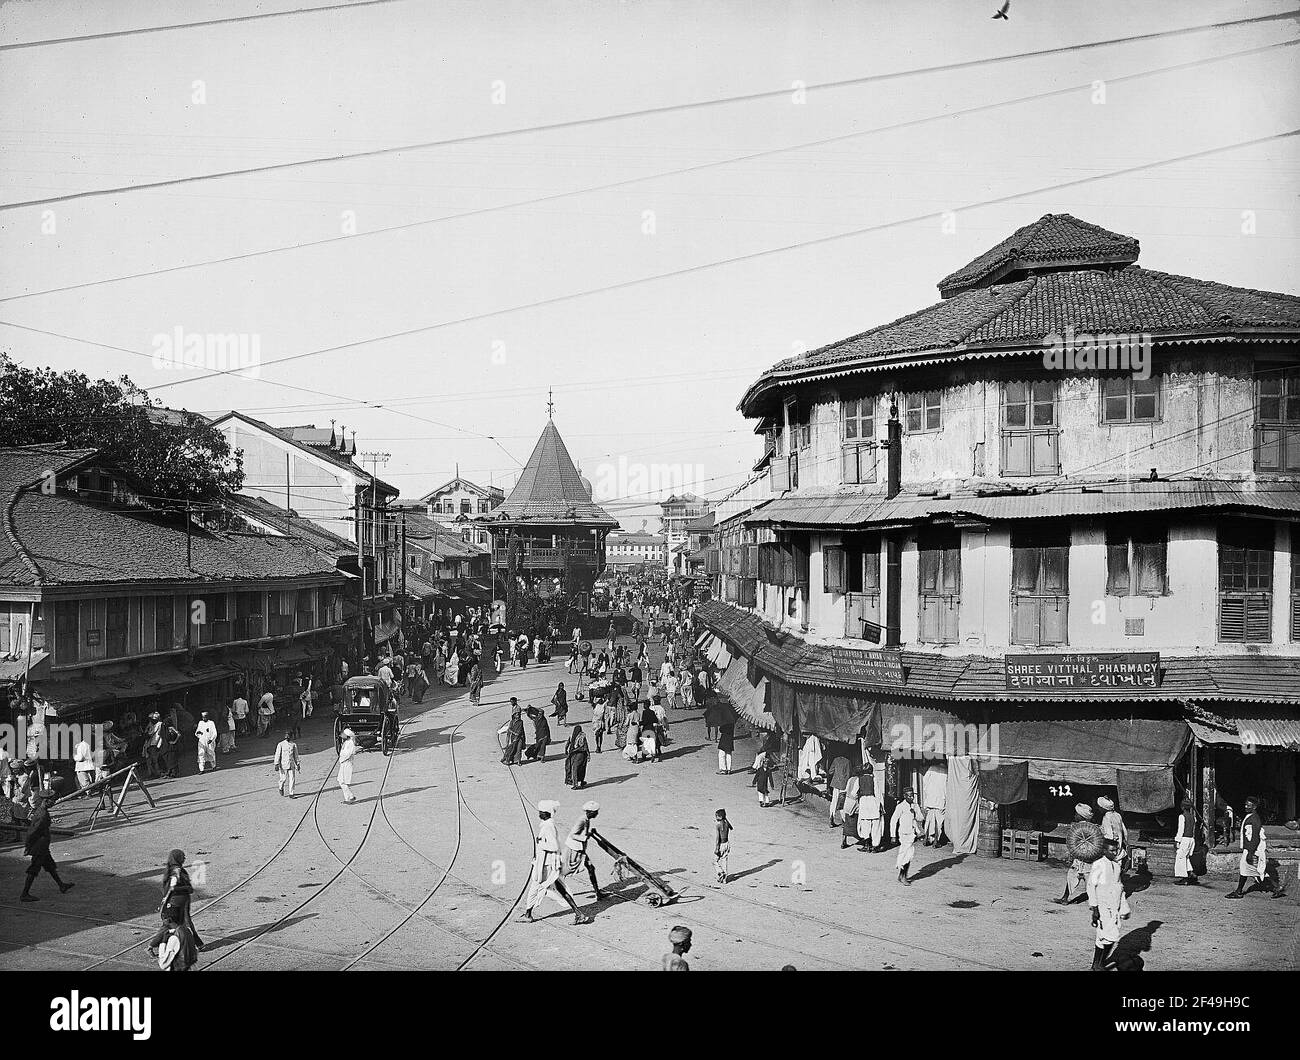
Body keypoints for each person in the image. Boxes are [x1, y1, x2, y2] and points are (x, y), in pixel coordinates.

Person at [517, 800, 593, 925]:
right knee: (560, 889)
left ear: (547, 813)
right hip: (547, 863)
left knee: (535, 888)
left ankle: (528, 915)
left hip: (546, 865)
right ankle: (579, 914)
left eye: (542, 812)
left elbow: (553, 846)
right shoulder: (546, 824)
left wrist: (540, 842)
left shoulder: (548, 826)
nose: (539, 814)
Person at [19, 784, 73, 902]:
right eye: (52, 800)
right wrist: (28, 846)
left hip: (42, 846)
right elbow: (32, 832)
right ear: (46, 801)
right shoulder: (42, 814)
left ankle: (61, 885)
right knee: (33, 870)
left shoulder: (41, 810)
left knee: (50, 866)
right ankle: (24, 894)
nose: (53, 802)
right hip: (39, 847)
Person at [1087, 837, 1131, 969]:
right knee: (1109, 935)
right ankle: (1099, 963)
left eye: (1116, 850)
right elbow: (1091, 886)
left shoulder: (1116, 866)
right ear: (1104, 851)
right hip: (1103, 906)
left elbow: (1120, 888)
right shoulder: (1099, 864)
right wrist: (1095, 908)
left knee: (1104, 936)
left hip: (1114, 906)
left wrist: (1124, 908)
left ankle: (1096, 964)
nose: (1115, 853)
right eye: (1112, 850)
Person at [1226, 795, 1270, 898]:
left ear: (1254, 807)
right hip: (1249, 848)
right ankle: (1276, 888)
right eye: (1245, 804)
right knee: (1255, 870)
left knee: (1247, 869)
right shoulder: (1250, 816)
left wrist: (1250, 852)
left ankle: (1239, 891)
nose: (1246, 807)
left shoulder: (1254, 819)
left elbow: (1254, 837)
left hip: (1252, 849)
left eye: (1248, 805)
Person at [561, 801, 604, 899]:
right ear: (590, 812)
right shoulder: (582, 820)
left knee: (591, 868)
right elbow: (573, 835)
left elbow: (582, 833)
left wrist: (589, 834)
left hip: (580, 850)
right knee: (565, 871)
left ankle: (597, 893)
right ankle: (552, 889)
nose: (597, 814)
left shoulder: (586, 820)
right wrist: (585, 837)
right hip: (574, 850)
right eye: (595, 812)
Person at [1055, 803, 1096, 904]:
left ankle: (1065, 898)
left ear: (1081, 816)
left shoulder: (1078, 827)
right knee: (1088, 879)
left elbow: (1074, 842)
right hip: (1090, 857)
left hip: (1080, 857)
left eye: (1076, 814)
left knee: (1073, 876)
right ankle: (1065, 898)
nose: (1075, 815)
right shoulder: (1093, 827)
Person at [890, 788, 923, 885]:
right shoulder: (901, 806)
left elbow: (920, 818)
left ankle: (902, 875)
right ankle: (903, 876)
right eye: (909, 796)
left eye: (912, 795)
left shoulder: (915, 805)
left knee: (909, 855)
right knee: (906, 855)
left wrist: (915, 812)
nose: (911, 797)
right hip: (903, 833)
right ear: (904, 796)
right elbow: (893, 820)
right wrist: (893, 836)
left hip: (912, 833)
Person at [153, 906, 198, 972]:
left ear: (169, 920)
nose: (162, 921)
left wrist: (163, 943)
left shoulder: (174, 938)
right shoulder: (188, 930)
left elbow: (163, 964)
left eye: (163, 918)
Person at [1097, 795, 1128, 875]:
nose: (1099, 809)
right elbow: (1124, 831)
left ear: (1104, 808)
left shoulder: (1107, 817)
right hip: (1119, 845)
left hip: (1112, 846)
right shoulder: (1117, 815)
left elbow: (1109, 835)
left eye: (1100, 807)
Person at [858, 769, 884, 851]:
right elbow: (878, 793)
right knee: (876, 825)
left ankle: (866, 845)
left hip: (863, 803)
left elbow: (853, 793)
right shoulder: (874, 779)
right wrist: (881, 805)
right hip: (873, 802)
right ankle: (875, 846)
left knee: (865, 824)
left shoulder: (859, 779)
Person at [273, 730, 300, 798]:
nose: (287, 737)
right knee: (283, 779)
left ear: (291, 736)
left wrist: (298, 763)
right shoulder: (281, 744)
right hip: (283, 765)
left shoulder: (293, 745)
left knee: (292, 779)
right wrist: (276, 764)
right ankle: (280, 787)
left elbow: (296, 755)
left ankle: (291, 793)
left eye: (288, 735)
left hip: (291, 764)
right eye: (286, 735)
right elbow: (277, 754)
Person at [500, 699, 526, 766]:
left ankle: (518, 761)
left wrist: (515, 734)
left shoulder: (520, 721)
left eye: (518, 714)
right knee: (513, 748)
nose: (518, 715)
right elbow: (510, 729)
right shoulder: (512, 722)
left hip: (519, 737)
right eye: (516, 715)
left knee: (519, 749)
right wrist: (512, 732)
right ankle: (511, 759)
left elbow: (520, 730)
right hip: (514, 737)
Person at [338, 729, 358, 804]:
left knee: (342, 781)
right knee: (341, 781)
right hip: (343, 763)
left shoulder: (350, 743)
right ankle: (348, 798)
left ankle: (350, 797)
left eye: (342, 734)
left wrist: (342, 759)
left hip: (346, 763)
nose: (341, 735)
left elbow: (348, 754)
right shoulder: (346, 742)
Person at [714, 807, 733, 884]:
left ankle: (720, 872)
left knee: (715, 861)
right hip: (727, 844)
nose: (715, 817)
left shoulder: (718, 825)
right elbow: (731, 828)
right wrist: (725, 818)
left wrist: (716, 848)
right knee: (724, 860)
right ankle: (725, 878)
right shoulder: (726, 823)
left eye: (716, 816)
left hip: (721, 845)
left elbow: (717, 838)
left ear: (720, 817)